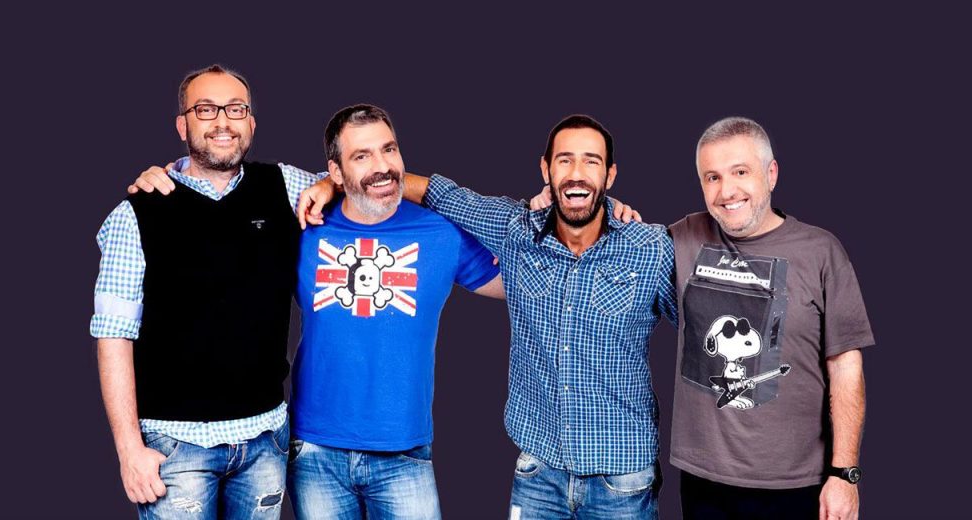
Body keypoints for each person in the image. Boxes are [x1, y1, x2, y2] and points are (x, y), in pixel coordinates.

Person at [300, 114, 676, 519]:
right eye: (565, 160)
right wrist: (330, 183)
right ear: (546, 170)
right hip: (535, 469)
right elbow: (442, 193)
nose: (577, 173)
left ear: (611, 174)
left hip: (620, 472)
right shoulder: (516, 232)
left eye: (592, 161)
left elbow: (697, 323)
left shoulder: (649, 248)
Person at [91, 64, 328, 519]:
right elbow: (113, 336)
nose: (222, 121)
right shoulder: (137, 212)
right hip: (174, 446)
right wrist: (128, 449)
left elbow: (352, 179)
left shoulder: (285, 185)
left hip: (265, 438)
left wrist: (332, 181)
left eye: (235, 109)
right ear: (182, 125)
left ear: (251, 122)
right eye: (205, 109)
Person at [668, 117, 873, 520]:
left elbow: (846, 368)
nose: (727, 191)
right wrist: (605, 207)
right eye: (712, 177)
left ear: (771, 173)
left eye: (740, 172)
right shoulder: (683, 236)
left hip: (796, 485)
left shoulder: (821, 251)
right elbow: (613, 241)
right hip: (703, 481)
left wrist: (845, 474)